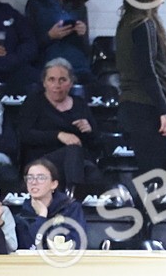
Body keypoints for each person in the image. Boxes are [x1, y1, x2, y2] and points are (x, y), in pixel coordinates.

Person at [115, 0, 166, 176]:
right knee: (154, 173)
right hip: (145, 107)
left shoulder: (126, 22)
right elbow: (146, 71)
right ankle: (147, 208)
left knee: (148, 170)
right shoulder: (143, 24)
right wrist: (164, 110)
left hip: (133, 105)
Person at [17, 59, 103, 189]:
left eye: (62, 80)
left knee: (92, 172)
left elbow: (95, 143)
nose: (57, 85)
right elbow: (24, 135)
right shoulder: (34, 102)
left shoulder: (79, 104)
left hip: (77, 162)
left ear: (71, 83)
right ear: (44, 83)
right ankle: (72, 200)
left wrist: (89, 131)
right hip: (41, 162)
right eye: (51, 80)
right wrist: (58, 135)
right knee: (73, 150)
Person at [25, 0, 92, 84]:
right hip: (48, 65)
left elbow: (86, 49)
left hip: (78, 66)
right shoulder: (36, 5)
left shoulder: (79, 6)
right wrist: (49, 36)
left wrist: (82, 33)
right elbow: (28, 47)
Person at [14, 159, 86, 251]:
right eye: (30, 178)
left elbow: (75, 243)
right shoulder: (21, 215)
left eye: (41, 178)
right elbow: (31, 246)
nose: (34, 182)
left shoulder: (71, 209)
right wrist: (42, 216)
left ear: (54, 184)